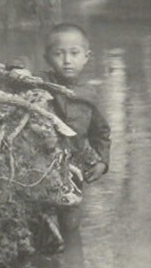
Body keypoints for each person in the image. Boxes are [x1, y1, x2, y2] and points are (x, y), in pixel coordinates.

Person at [40, 21, 112, 163]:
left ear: (86, 57)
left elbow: (101, 133)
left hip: (77, 162)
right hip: (46, 159)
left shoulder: (90, 94)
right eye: (58, 54)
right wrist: (18, 66)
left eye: (74, 53)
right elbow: (24, 70)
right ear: (47, 59)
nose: (67, 60)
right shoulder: (43, 82)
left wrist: (102, 162)